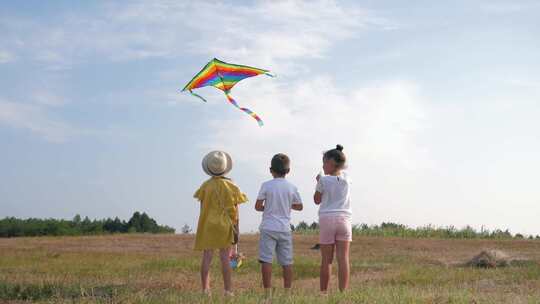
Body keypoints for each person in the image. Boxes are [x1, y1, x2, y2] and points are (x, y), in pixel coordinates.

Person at [193, 150, 248, 297]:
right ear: (225, 168)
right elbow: (236, 212)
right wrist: (236, 229)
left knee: (207, 257)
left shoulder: (205, 186)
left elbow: (202, 209)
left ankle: (205, 290)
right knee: (225, 258)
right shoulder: (232, 186)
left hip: (208, 225)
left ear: (209, 169)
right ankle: (228, 291)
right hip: (225, 226)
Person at [255, 153, 303, 299]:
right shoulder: (292, 187)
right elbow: (300, 206)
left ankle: (267, 295)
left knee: (266, 260)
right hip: (284, 229)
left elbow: (257, 206)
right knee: (287, 262)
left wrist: (269, 208)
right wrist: (287, 205)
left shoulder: (266, 185)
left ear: (271, 170)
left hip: (268, 227)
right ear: (288, 171)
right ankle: (287, 295)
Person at [314, 145, 352, 294]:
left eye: (324, 163)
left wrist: (318, 182)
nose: (323, 166)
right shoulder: (347, 178)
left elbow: (317, 200)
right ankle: (343, 291)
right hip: (344, 220)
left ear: (330, 162)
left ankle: (323, 292)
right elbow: (340, 176)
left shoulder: (323, 180)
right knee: (343, 259)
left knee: (326, 260)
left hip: (327, 219)